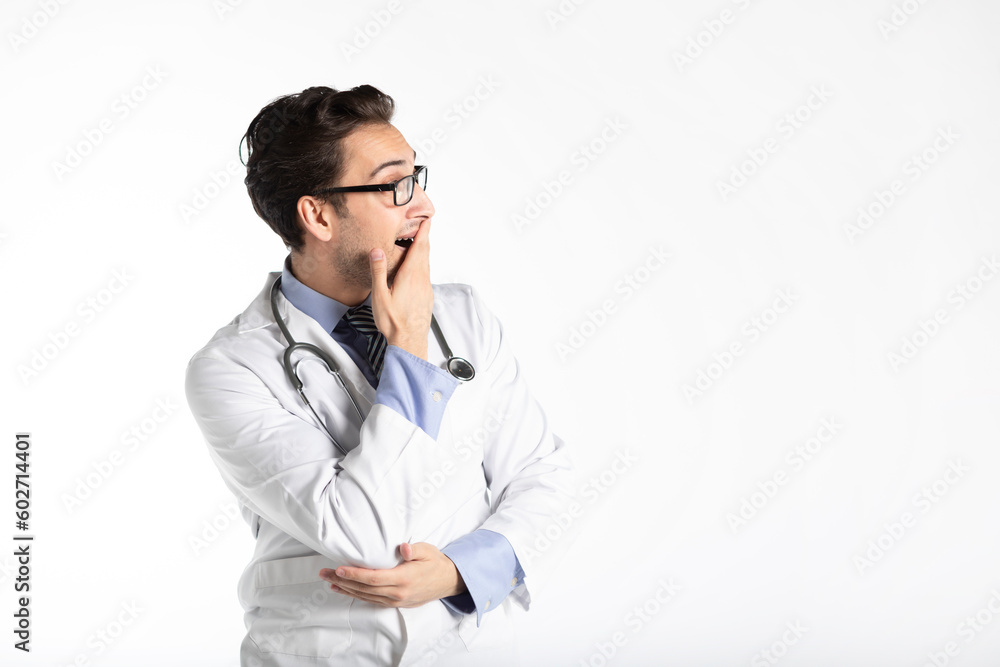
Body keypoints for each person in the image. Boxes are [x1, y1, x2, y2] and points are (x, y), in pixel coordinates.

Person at [184, 84, 576, 666]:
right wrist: (410, 350)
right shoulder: (232, 369)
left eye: (417, 178)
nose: (425, 206)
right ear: (318, 215)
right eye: (395, 186)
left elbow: (541, 477)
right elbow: (363, 537)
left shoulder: (464, 316)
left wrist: (460, 572)